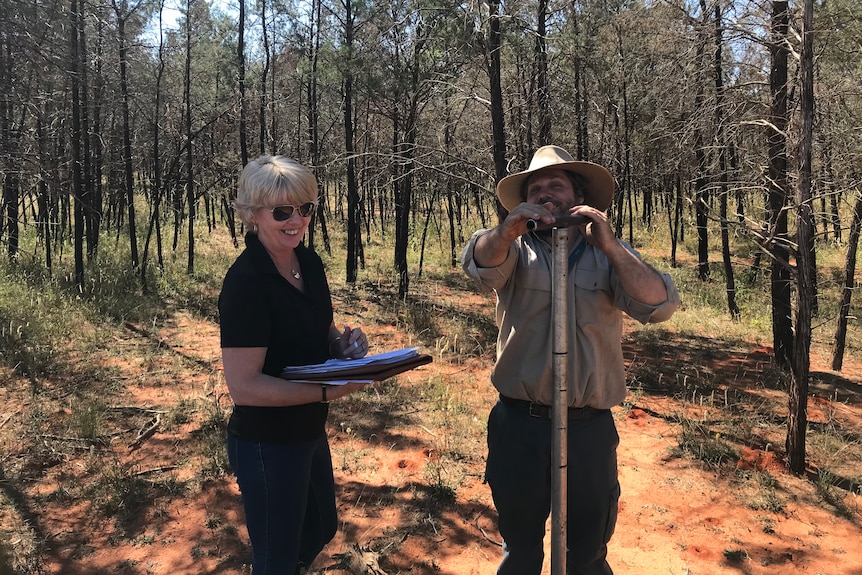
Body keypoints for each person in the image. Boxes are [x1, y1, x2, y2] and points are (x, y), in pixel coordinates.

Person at [461, 145, 680, 575]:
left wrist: (613, 246)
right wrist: (507, 231)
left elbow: (659, 304)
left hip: (588, 429)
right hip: (519, 425)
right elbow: (480, 265)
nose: (545, 194)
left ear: (577, 195)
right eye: (536, 187)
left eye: (555, 185)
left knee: (588, 555)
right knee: (520, 551)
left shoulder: (609, 253)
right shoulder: (513, 249)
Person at [219, 155, 370, 575]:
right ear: (252, 214)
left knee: (320, 526)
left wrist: (343, 344)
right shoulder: (247, 283)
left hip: (307, 428)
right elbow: (244, 386)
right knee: (277, 558)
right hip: (267, 443)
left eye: (305, 208)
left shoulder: (309, 263)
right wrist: (326, 391)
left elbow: (321, 329)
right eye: (282, 211)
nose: (296, 220)